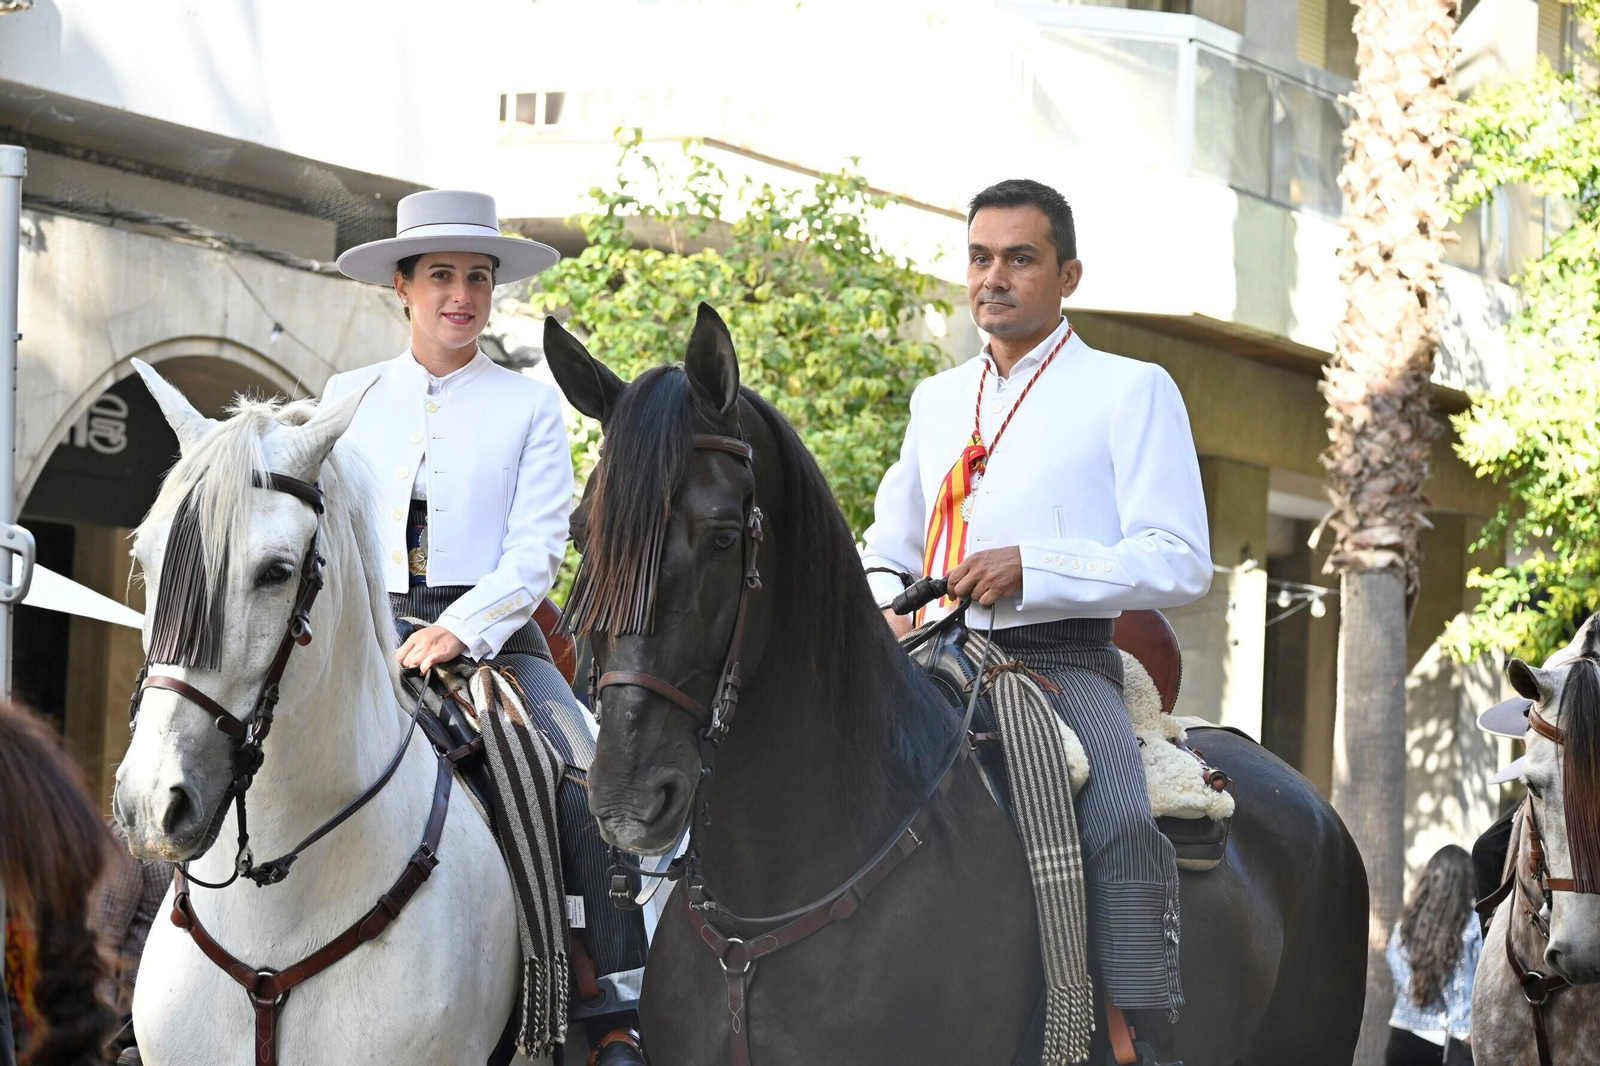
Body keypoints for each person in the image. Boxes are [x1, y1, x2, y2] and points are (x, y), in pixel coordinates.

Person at [861, 178, 1211, 1059]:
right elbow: (890, 544)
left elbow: (1180, 559)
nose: (995, 277)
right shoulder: (936, 400)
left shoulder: (1132, 389)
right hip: (931, 656)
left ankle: (1128, 1029)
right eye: (980, 257)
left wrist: (1034, 567)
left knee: (1125, 821)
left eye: (1021, 258)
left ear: (1069, 275)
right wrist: (881, 608)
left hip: (1062, 664)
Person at [327, 189, 647, 1066]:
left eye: (477, 277)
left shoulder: (530, 406)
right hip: (367, 633)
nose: (461, 294)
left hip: (501, 643)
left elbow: (538, 552)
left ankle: (614, 1013)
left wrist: (460, 631)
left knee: (587, 786)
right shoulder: (347, 398)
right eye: (441, 276)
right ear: (402, 286)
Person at [1385, 845, 1480, 1065]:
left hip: (1402, 1037)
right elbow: (1476, 986)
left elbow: (1403, 979)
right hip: (1453, 1046)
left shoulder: (1406, 924)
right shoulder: (1473, 925)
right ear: (1467, 882)